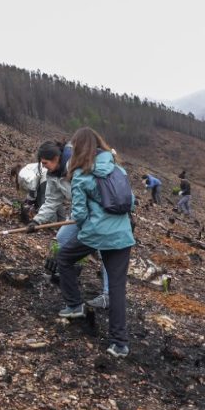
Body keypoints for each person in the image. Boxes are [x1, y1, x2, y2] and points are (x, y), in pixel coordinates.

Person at [54, 127, 135, 358]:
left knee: (64, 257)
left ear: (78, 149)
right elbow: (131, 203)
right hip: (122, 235)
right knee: (117, 288)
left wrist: (90, 227)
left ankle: (74, 305)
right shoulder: (119, 169)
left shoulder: (81, 174)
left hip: (96, 233)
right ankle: (119, 344)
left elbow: (79, 215)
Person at [28, 141, 110, 308]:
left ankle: (109, 295)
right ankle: (67, 272)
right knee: (62, 238)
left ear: (56, 158)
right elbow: (52, 201)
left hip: (100, 213)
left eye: (45, 163)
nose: (44, 167)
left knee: (107, 252)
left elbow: (98, 188)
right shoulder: (53, 175)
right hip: (79, 213)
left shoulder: (78, 165)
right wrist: (37, 220)